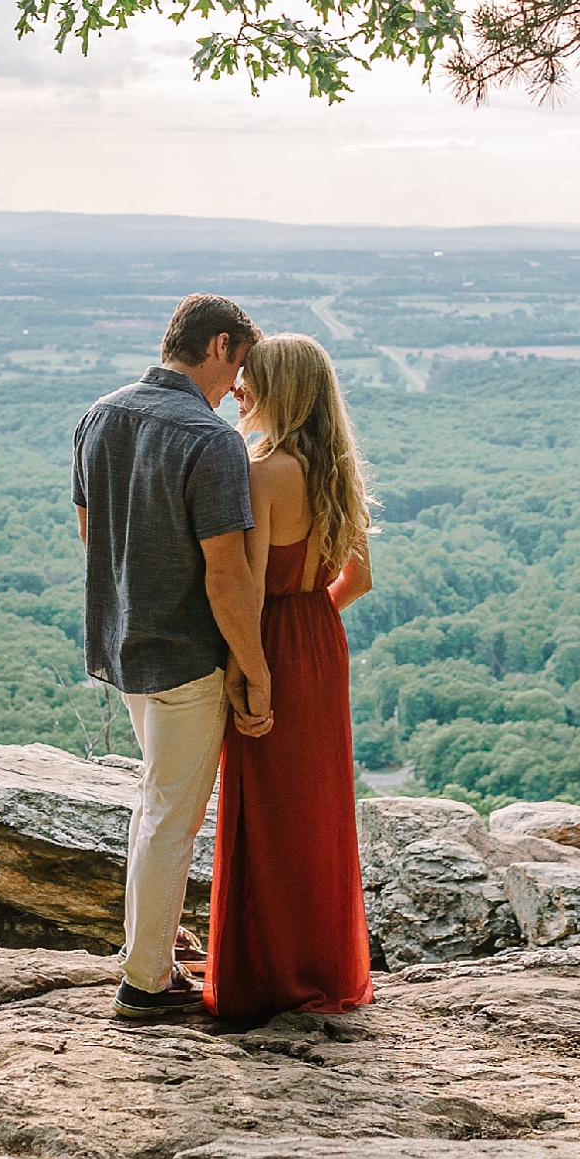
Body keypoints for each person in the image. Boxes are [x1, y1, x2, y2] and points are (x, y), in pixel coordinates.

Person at [72, 292, 273, 1021]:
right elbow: (226, 576)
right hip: (189, 656)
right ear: (218, 345)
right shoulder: (210, 440)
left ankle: (146, 949)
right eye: (239, 365)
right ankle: (145, 981)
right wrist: (254, 669)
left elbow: (92, 530)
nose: (239, 387)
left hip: (125, 643)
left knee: (156, 802)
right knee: (170, 815)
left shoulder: (100, 415)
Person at [204, 332, 375, 1021]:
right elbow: (358, 579)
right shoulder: (337, 471)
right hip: (319, 640)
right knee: (318, 809)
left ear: (281, 391)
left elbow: (242, 585)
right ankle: (322, 963)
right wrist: (309, 619)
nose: (240, 390)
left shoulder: (262, 471)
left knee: (266, 811)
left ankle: (266, 974)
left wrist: (258, 664)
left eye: (252, 380)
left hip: (270, 639)